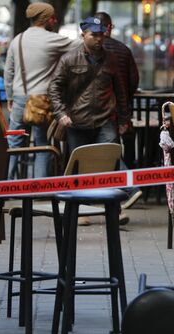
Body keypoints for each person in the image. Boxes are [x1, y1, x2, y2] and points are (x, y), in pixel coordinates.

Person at [48, 17, 131, 225]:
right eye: (94, 35)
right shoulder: (69, 58)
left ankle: (115, 209)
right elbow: (54, 88)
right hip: (77, 121)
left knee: (109, 161)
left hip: (106, 119)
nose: (99, 38)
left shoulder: (110, 59)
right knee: (81, 166)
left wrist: (123, 118)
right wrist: (61, 114)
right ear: (83, 35)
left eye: (101, 34)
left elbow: (121, 90)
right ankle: (82, 210)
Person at [3, 2, 81, 179]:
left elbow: (8, 71)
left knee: (14, 143)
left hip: (19, 98)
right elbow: (80, 45)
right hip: (42, 100)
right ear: (46, 19)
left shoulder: (18, 39)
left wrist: (10, 96)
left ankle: (6, 186)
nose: (55, 20)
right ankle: (39, 187)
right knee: (42, 144)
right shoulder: (52, 39)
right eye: (52, 17)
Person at [94, 11, 143, 209]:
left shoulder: (89, 52)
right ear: (110, 27)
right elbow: (133, 80)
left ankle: (115, 191)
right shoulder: (123, 50)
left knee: (104, 150)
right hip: (119, 108)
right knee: (116, 149)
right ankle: (123, 190)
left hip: (98, 110)